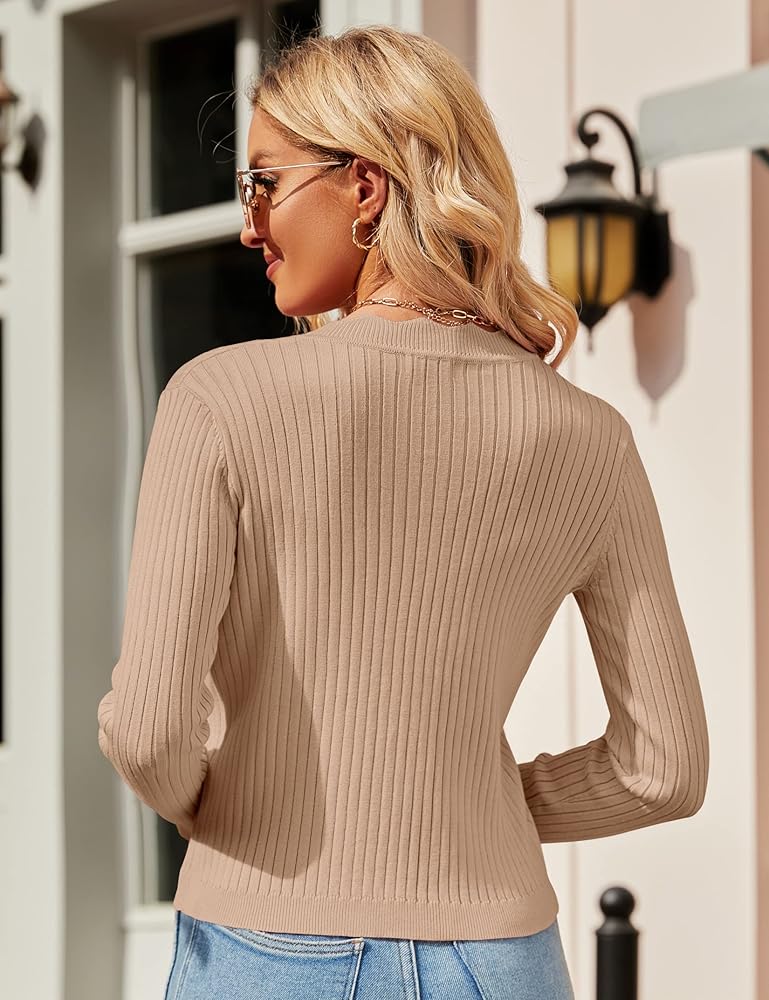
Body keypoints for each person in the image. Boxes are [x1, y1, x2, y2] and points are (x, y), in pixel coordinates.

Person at [96, 23, 709, 1000]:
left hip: (265, 945)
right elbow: (663, 766)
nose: (250, 225)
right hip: (501, 958)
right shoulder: (588, 436)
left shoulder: (218, 398)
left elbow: (146, 730)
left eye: (264, 183)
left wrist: (225, 806)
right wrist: (489, 803)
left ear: (364, 188)